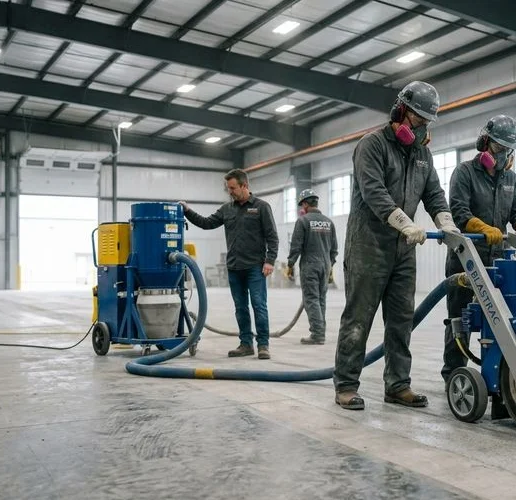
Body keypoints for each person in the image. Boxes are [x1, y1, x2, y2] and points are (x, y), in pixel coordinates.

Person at [333, 80, 461, 411]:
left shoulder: (422, 154)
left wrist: (445, 222)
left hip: (403, 250)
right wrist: (404, 222)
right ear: (400, 111)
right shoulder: (371, 145)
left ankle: (398, 384)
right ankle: (346, 385)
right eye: (417, 119)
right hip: (368, 246)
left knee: (402, 319)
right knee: (359, 318)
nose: (421, 128)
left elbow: (434, 194)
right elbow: (373, 191)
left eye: (426, 122)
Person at [442, 114, 516, 387]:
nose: (502, 154)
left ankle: (501, 373)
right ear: (484, 143)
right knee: (460, 319)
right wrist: (481, 227)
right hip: (466, 258)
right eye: (498, 147)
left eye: (508, 149)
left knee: (501, 319)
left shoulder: (511, 179)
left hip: (498, 262)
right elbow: (459, 211)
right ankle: (453, 375)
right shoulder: (464, 173)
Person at [179, 168, 279, 360]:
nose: (230, 192)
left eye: (233, 188)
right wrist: (187, 211)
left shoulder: (261, 207)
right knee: (240, 308)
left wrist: (270, 261)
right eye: (228, 188)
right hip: (234, 267)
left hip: (255, 267)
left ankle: (263, 345)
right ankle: (246, 344)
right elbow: (206, 223)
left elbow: (272, 237)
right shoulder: (227, 209)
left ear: (244, 185)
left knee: (259, 305)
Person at [284, 189, 338, 345]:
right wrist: (330, 266)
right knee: (321, 299)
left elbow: (296, 246)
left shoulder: (303, 221)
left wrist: (290, 265)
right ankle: (320, 332)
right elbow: (334, 249)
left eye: (302, 205)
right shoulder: (329, 222)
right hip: (325, 265)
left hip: (310, 265)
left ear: (305, 204)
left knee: (311, 299)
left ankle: (317, 334)